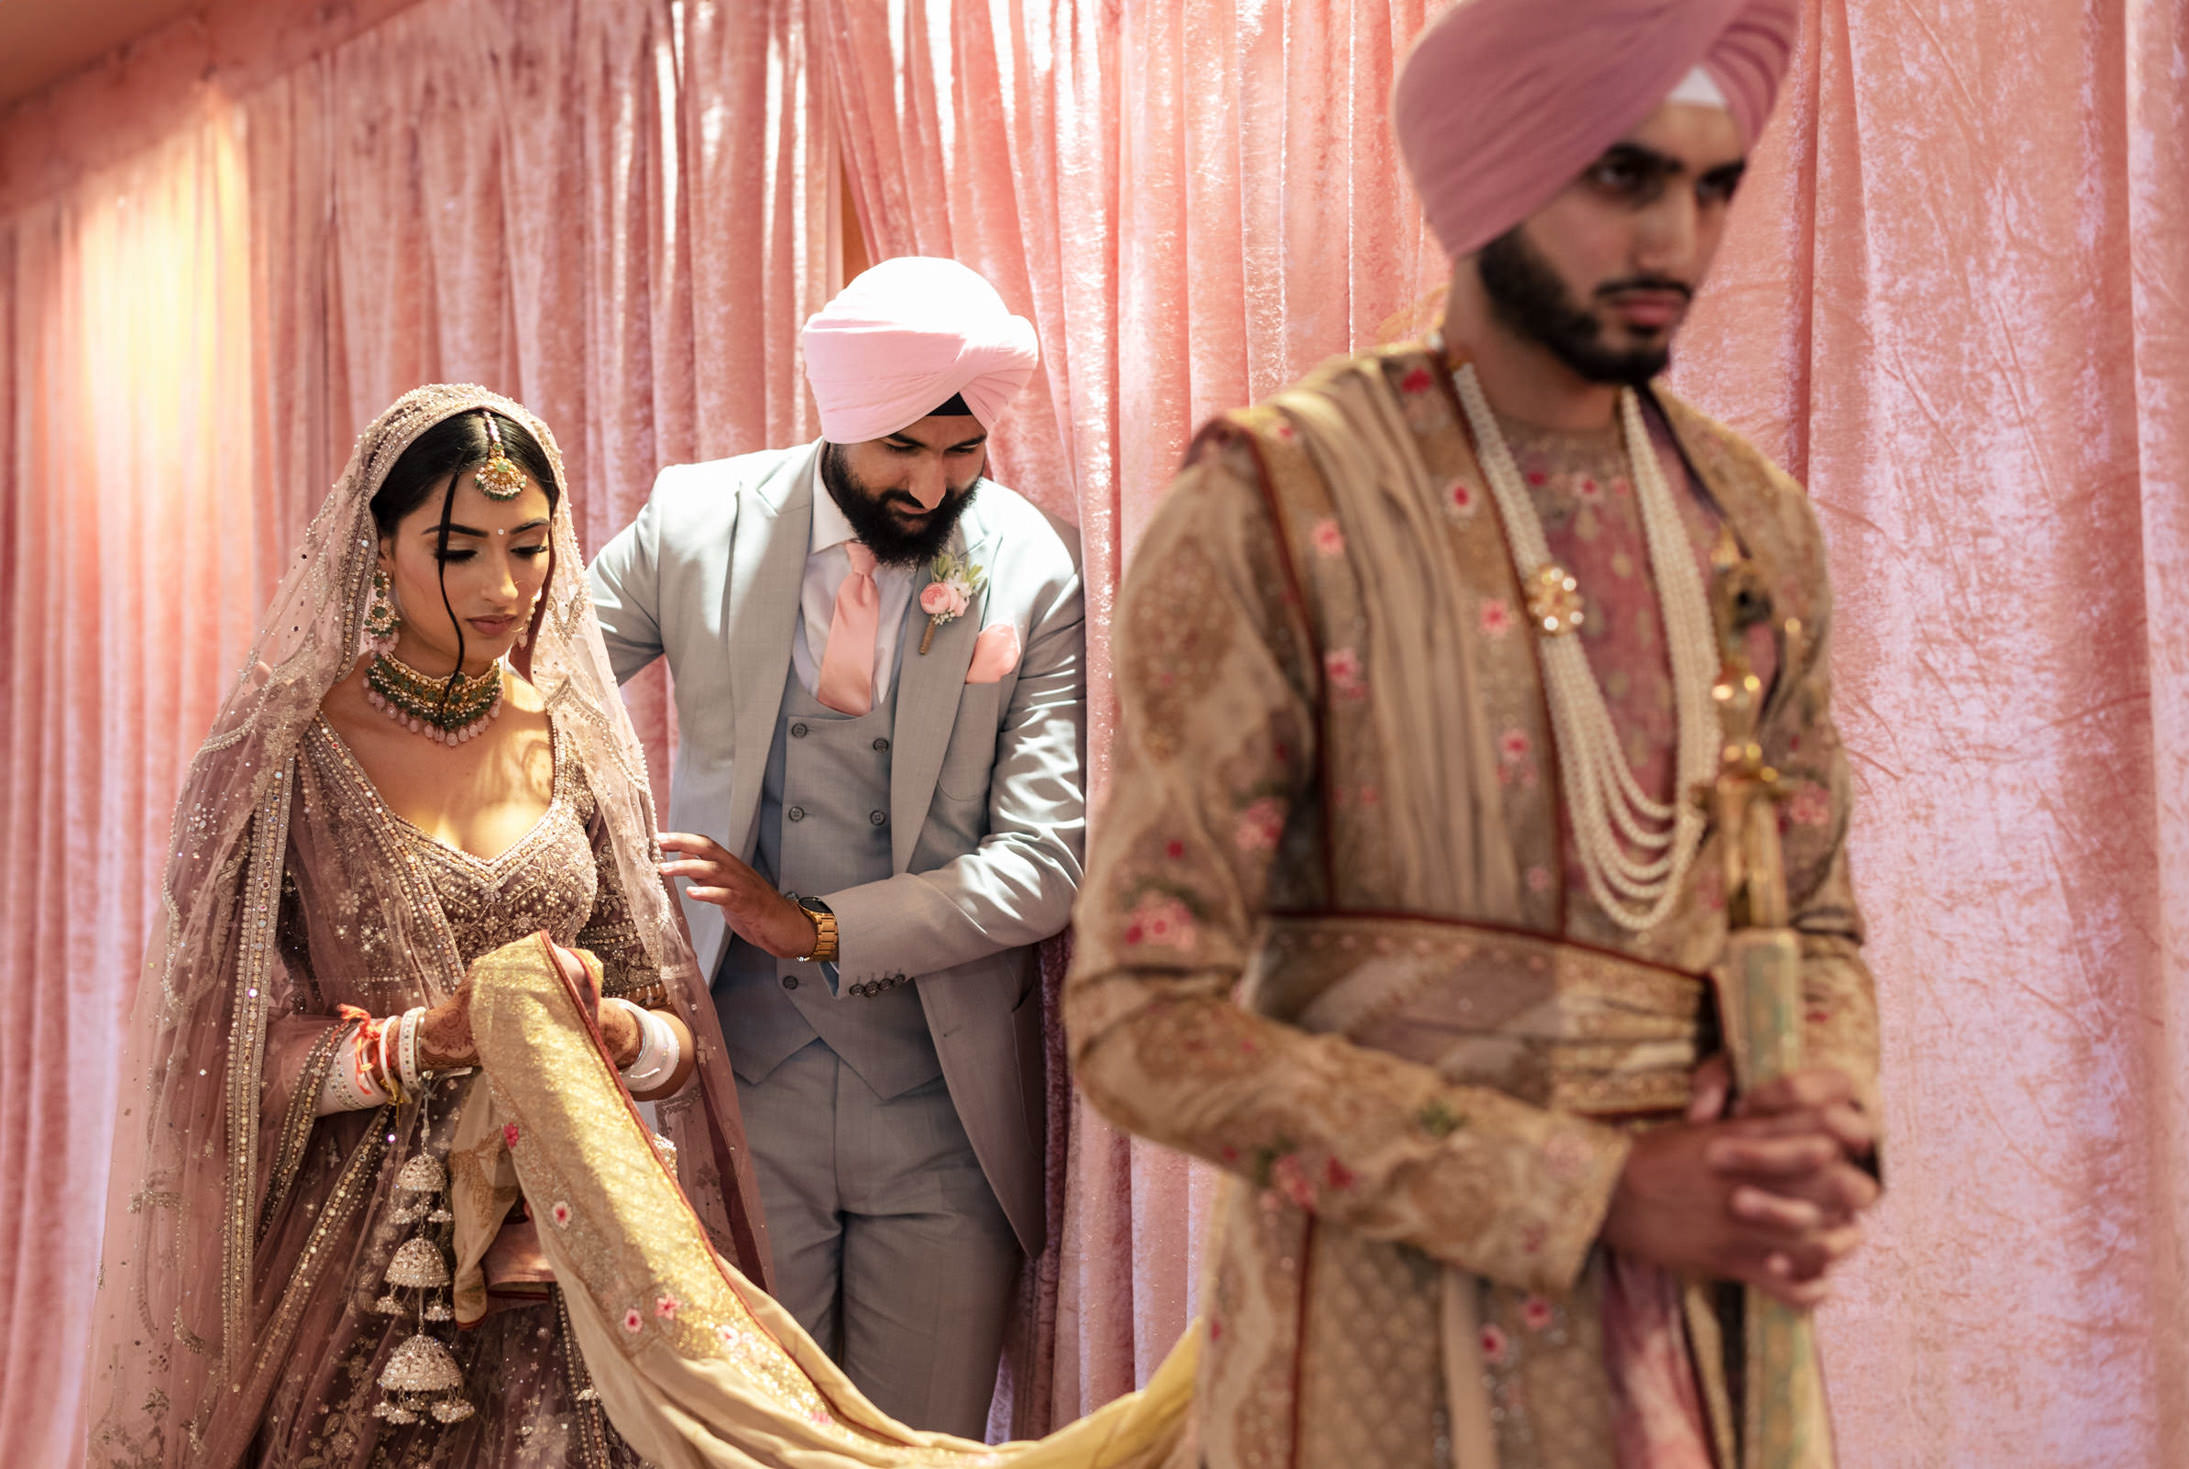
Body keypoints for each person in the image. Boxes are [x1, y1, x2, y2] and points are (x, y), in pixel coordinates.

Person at [1063, 0, 1884, 1465]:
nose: (1677, 241)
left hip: (1698, 1348)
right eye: (1624, 177)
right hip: (1376, 1347)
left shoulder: (1751, 527)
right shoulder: (1272, 504)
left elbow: (1812, 914)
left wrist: (1813, 1118)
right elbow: (1141, 1023)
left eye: (1713, 186)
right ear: (1502, 163)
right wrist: (1593, 1189)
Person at [82, 385, 771, 1469]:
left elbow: (672, 1028)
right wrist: (418, 1042)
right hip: (367, 1249)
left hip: (579, 1227)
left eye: (528, 546)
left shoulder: (579, 741)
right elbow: (215, 1046)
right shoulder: (282, 756)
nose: (502, 586)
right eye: (458, 549)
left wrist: (620, 1033)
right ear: (382, 548)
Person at [588, 255, 1086, 1438]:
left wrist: (814, 924)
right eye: (903, 448)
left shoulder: (1029, 562)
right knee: (742, 1444)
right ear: (843, 414)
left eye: (963, 452)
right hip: (735, 1085)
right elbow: (529, 694)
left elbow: (1045, 859)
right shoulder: (694, 522)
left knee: (923, 1448)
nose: (933, 483)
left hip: (945, 1111)